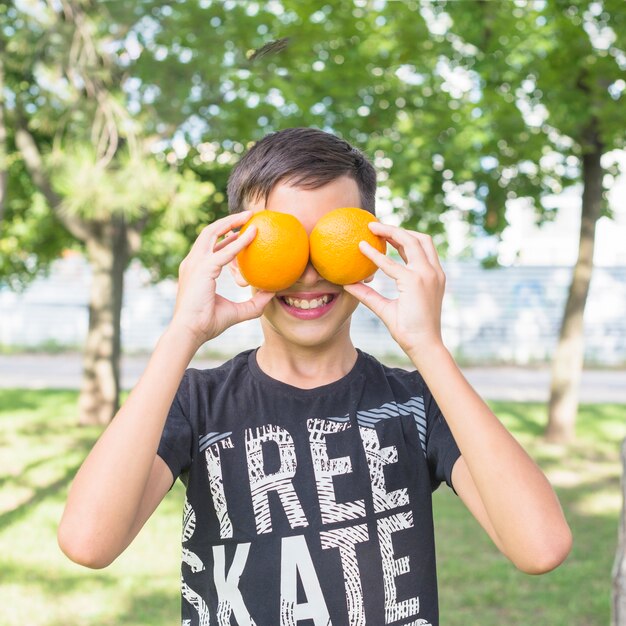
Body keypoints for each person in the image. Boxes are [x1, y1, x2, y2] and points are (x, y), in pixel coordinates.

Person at [58, 127, 572, 626]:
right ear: (236, 257)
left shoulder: (420, 402)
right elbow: (89, 543)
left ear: (371, 256)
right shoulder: (196, 402)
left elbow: (540, 547)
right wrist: (182, 333)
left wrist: (427, 347)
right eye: (281, 241)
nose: (308, 273)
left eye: (329, 242)